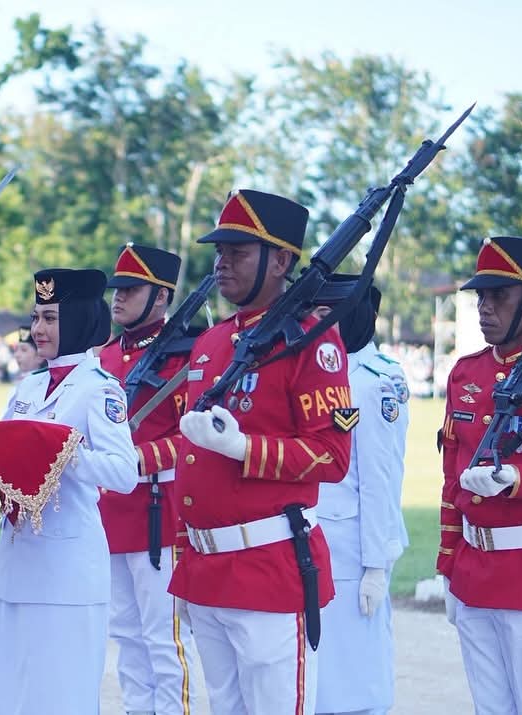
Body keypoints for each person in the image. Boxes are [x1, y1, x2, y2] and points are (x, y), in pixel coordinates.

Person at [173, 189, 352, 714]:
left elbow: (331, 455)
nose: (222, 263)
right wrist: (185, 558)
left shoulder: (311, 343)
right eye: (219, 251)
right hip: (207, 569)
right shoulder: (212, 343)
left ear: (281, 260)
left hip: (269, 567)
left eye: (238, 252)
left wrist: (243, 447)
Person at [0, 268, 137, 715]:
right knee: (13, 691)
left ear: (77, 319)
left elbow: (124, 473)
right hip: (18, 559)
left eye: (50, 318)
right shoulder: (28, 388)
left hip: (67, 566)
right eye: (36, 317)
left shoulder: (99, 390)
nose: (38, 329)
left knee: (62, 693)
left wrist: (64, 454)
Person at [438, 235, 522, 714]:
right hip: (474, 572)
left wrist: (519, 479)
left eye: (500, 295)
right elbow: (452, 483)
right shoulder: (465, 374)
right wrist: (449, 565)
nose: (485, 308)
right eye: (481, 296)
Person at [98, 243, 198, 715]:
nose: (117, 298)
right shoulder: (102, 358)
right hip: (111, 513)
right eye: (116, 288)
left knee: (166, 639)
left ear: (161, 297)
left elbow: (195, 439)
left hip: (159, 511)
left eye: (130, 289)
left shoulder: (188, 356)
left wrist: (140, 458)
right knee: (126, 636)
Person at [312, 278, 410, 715]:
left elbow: (379, 477)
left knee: (356, 679)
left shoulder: (373, 381)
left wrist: (376, 564)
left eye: (324, 313)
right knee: (321, 677)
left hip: (353, 548)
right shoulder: (319, 370)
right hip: (318, 541)